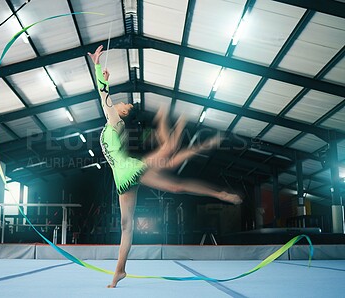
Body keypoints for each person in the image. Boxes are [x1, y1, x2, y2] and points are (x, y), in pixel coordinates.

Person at [88, 45, 242, 288]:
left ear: (120, 113)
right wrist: (103, 76)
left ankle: (180, 126)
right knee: (126, 226)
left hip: (128, 167)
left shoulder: (114, 120)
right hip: (121, 177)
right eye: (122, 104)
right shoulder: (112, 122)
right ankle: (119, 271)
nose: (121, 105)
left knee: (171, 166)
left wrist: (98, 67)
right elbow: (104, 94)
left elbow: (103, 94)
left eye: (124, 106)